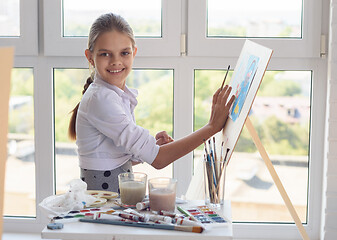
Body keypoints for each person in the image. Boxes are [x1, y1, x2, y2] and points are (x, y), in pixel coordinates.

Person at [68, 13, 235, 193]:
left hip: (112, 203)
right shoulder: (101, 99)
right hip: (103, 207)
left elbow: (111, 157)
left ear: (134, 53)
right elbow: (159, 160)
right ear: (90, 57)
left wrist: (151, 148)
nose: (116, 61)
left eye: (124, 53)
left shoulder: (113, 95)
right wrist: (212, 127)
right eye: (105, 54)